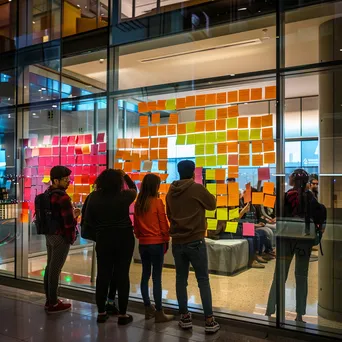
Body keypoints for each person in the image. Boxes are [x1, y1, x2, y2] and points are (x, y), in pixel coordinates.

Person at [166, 160, 220, 334]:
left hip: (177, 241)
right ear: (193, 172)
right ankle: (209, 321)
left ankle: (185, 317)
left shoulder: (171, 191)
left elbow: (169, 214)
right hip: (195, 241)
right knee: (202, 280)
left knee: (181, 279)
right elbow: (212, 205)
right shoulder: (197, 188)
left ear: (179, 171)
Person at [265, 169, 321, 323]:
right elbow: (321, 213)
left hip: (286, 240)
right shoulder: (311, 197)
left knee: (279, 276)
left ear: (293, 180)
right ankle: (300, 315)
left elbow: (279, 215)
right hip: (304, 242)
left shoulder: (285, 197)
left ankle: (270, 311)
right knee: (301, 277)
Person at [83, 169, 137, 324]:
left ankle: (101, 312)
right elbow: (135, 189)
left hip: (104, 239)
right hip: (124, 238)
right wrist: (125, 175)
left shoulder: (94, 197)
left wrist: (98, 235)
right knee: (122, 275)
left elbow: (89, 220)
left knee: (103, 275)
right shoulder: (124, 196)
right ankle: (123, 314)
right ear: (118, 183)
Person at [134, 174, 174, 323]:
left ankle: (147, 309)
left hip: (143, 244)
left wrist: (141, 236)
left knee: (145, 276)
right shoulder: (158, 202)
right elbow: (163, 224)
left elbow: (136, 227)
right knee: (157, 278)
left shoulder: (138, 203)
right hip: (156, 244)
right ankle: (159, 312)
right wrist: (166, 239)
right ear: (154, 186)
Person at [44, 166, 79, 313]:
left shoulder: (47, 193)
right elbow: (69, 223)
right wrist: (76, 215)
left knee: (50, 267)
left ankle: (49, 300)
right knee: (55, 269)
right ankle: (53, 303)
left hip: (50, 235)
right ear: (56, 180)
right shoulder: (63, 197)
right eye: (65, 180)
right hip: (61, 238)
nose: (68, 182)